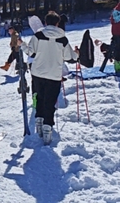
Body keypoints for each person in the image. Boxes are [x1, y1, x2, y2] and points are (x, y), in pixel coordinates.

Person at [24, 11, 78, 145]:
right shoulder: (62, 38)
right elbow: (69, 57)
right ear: (58, 23)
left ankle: (39, 120)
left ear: (46, 22)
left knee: (39, 98)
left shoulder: (38, 35)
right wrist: (77, 54)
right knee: (50, 100)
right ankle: (48, 126)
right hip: (53, 75)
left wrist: (22, 45)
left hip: (37, 73)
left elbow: (30, 52)